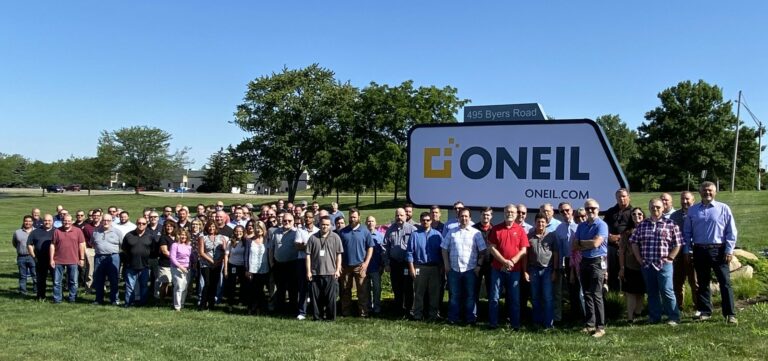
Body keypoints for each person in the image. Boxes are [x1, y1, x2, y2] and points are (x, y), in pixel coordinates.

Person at [684, 181, 738, 324]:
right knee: (702, 283)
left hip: (719, 250)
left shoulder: (723, 208)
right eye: (704, 190)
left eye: (710, 190)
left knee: (725, 283)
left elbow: (731, 231)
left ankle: (730, 314)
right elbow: (687, 232)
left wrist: (729, 249)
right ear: (700, 192)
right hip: (699, 249)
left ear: (715, 192)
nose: (707, 193)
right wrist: (687, 250)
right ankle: (705, 311)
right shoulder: (693, 210)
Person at [630, 198, 682, 325]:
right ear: (649, 208)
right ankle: (654, 317)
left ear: (663, 208)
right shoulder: (643, 224)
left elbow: (678, 243)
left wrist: (670, 258)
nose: (655, 209)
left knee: (666, 290)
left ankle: (674, 316)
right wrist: (639, 258)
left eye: (658, 207)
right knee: (652, 292)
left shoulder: (671, 224)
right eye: (653, 207)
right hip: (647, 264)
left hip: (664, 264)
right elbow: (634, 242)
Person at [442, 208, 487, 325]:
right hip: (454, 270)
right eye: (462, 216)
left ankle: (470, 319)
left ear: (470, 218)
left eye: (466, 216)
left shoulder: (475, 233)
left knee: (470, 296)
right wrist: (446, 264)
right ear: (458, 218)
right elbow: (444, 249)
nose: (464, 218)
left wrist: (478, 266)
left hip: (470, 270)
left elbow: (483, 251)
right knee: (454, 295)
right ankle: (453, 318)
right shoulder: (452, 232)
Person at [487, 204, 529, 330]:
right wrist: (504, 261)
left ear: (516, 214)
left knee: (514, 299)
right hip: (497, 269)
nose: (509, 214)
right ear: (504, 213)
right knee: (494, 297)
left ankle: (515, 324)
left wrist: (512, 261)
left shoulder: (520, 230)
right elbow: (492, 248)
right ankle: (493, 323)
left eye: (512, 212)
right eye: (507, 212)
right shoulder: (497, 229)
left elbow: (523, 250)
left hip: (515, 270)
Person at [572, 199, 609, 338]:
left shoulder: (602, 225)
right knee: (587, 294)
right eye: (588, 209)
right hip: (584, 261)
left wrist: (584, 243)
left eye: (593, 208)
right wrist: (587, 243)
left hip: (597, 262)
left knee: (596, 294)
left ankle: (600, 327)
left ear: (598, 209)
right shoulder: (581, 226)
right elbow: (575, 245)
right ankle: (590, 324)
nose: (590, 211)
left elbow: (596, 243)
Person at [306, 215, 344, 321]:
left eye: (327, 225)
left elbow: (339, 254)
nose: (325, 227)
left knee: (331, 298)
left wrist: (337, 269)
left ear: (331, 225)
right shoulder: (313, 238)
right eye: (323, 224)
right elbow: (308, 255)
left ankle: (330, 317)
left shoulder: (335, 237)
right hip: (315, 272)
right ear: (319, 224)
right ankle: (317, 317)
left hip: (331, 272)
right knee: (316, 298)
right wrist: (308, 271)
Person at [407, 212, 444, 321]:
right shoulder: (415, 235)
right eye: (423, 220)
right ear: (420, 221)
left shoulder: (437, 235)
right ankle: (417, 315)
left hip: (434, 268)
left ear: (431, 221)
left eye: (428, 220)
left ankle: (433, 315)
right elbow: (409, 253)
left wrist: (442, 267)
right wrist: (411, 268)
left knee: (434, 293)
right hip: (420, 267)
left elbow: (442, 252)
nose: (425, 222)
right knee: (419, 293)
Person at [338, 208, 374, 317]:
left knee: (362, 291)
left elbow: (370, 247)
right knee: (345, 291)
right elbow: (338, 250)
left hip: (360, 266)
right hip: (346, 266)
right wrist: (339, 265)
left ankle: (363, 312)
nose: (352, 219)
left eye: (354, 217)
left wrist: (366, 263)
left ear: (359, 217)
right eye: (350, 216)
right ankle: (346, 312)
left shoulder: (364, 231)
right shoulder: (343, 232)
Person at [526, 213, 558, 329]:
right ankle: (537, 322)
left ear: (546, 223)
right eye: (538, 222)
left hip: (547, 270)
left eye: (543, 222)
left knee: (547, 297)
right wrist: (525, 271)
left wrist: (555, 270)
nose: (540, 224)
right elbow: (525, 255)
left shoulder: (551, 236)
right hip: (533, 269)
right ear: (535, 223)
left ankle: (548, 324)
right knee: (535, 297)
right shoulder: (529, 236)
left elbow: (555, 254)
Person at [383, 208, 416, 317]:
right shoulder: (390, 230)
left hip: (407, 264)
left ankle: (409, 310)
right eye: (397, 215)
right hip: (394, 264)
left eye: (401, 215)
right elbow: (385, 247)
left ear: (406, 216)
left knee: (408, 288)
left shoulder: (412, 230)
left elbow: (416, 247)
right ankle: (398, 310)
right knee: (396, 287)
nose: (399, 217)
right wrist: (387, 263)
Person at [670, 191, 699, 314]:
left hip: (694, 252)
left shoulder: (698, 213)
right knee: (678, 282)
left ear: (693, 199)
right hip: (678, 252)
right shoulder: (674, 216)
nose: (684, 201)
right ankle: (679, 307)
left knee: (695, 282)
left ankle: (698, 307)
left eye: (687, 199)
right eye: (682, 199)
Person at [50, 214, 86, 303]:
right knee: (57, 282)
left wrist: (82, 258)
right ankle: (57, 299)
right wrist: (51, 259)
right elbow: (52, 245)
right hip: (58, 260)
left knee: (73, 281)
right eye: (65, 220)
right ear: (62, 221)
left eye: (69, 221)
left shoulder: (78, 231)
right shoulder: (57, 231)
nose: (67, 222)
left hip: (73, 259)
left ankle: (72, 298)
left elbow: (81, 244)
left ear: (72, 221)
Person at [618, 207, 646, 322]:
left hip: (645, 265)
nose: (637, 216)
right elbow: (621, 252)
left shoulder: (648, 229)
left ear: (643, 216)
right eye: (634, 214)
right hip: (630, 266)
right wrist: (622, 268)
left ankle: (638, 313)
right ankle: (630, 317)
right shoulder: (626, 233)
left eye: (639, 214)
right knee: (631, 293)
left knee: (641, 292)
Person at [603, 188, 633, 292]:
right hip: (611, 246)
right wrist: (609, 235)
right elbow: (604, 226)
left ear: (629, 197)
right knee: (612, 272)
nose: (622, 198)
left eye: (624, 196)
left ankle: (625, 296)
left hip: (627, 247)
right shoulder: (611, 211)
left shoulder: (633, 212)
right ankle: (613, 296)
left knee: (625, 272)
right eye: (619, 197)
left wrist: (620, 237)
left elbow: (635, 228)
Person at [554, 202, 579, 323]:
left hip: (581, 261)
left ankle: (586, 317)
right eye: (562, 211)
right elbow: (559, 250)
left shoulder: (580, 225)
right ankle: (575, 316)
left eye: (567, 210)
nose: (565, 213)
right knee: (572, 290)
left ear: (572, 210)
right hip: (569, 262)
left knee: (584, 290)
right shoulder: (559, 228)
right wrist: (559, 266)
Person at [271, 213, 300, 314]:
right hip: (278, 264)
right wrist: (271, 262)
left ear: (293, 221)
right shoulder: (276, 232)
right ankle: (280, 309)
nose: (286, 222)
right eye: (285, 221)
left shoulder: (297, 232)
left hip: (292, 264)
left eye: (289, 221)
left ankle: (293, 310)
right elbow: (271, 248)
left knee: (293, 289)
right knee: (280, 288)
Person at [91, 214, 123, 305]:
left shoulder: (117, 232)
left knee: (114, 279)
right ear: (101, 221)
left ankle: (114, 299)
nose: (106, 222)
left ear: (111, 221)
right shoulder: (96, 231)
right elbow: (92, 243)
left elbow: (122, 245)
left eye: (108, 220)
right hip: (99, 257)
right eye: (104, 220)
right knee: (99, 279)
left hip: (113, 257)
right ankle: (98, 299)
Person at [122, 217, 152, 307]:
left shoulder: (150, 236)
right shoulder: (129, 235)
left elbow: (153, 249)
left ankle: (143, 303)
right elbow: (124, 249)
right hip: (131, 265)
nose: (141, 225)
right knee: (130, 286)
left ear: (146, 225)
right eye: (139, 223)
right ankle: (128, 303)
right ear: (136, 223)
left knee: (144, 286)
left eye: (143, 223)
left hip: (145, 266)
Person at [245, 220, 272, 315]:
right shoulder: (249, 241)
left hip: (264, 269)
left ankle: (261, 308)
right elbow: (246, 256)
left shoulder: (267, 240)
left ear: (263, 229)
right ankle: (251, 308)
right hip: (252, 269)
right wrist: (247, 269)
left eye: (260, 228)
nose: (258, 229)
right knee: (252, 290)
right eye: (256, 228)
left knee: (261, 290)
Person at [198, 221, 227, 310]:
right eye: (210, 227)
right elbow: (201, 252)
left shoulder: (221, 238)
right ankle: (203, 304)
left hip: (218, 264)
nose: (211, 228)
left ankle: (211, 304)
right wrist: (211, 261)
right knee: (207, 283)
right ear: (207, 228)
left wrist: (218, 261)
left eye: (213, 226)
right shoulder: (203, 238)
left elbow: (225, 251)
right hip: (206, 264)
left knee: (214, 284)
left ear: (216, 228)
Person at [27, 214, 55, 300]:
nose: (47, 222)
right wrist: (34, 256)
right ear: (43, 221)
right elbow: (29, 244)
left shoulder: (57, 231)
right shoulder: (35, 232)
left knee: (56, 279)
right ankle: (41, 296)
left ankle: (57, 297)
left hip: (54, 260)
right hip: (40, 260)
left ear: (52, 221)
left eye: (49, 220)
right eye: (45, 220)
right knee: (41, 279)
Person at [223, 225, 248, 311]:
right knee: (232, 285)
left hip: (243, 266)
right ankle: (230, 303)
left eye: (240, 231)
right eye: (236, 231)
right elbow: (226, 255)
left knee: (244, 284)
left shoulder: (246, 242)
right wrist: (225, 269)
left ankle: (242, 301)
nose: (238, 233)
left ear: (243, 232)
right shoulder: (230, 242)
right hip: (232, 265)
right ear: (234, 232)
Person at [472, 207, 494, 305]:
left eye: (488, 215)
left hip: (491, 264)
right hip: (476, 264)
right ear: (480, 215)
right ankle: (474, 314)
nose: (486, 216)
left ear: (491, 216)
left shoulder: (495, 229)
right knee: (474, 289)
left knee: (491, 290)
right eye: (484, 214)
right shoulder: (473, 229)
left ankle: (489, 315)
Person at [170, 229, 194, 310]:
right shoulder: (174, 245)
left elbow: (191, 258)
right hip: (177, 268)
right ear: (178, 236)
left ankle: (182, 304)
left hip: (187, 269)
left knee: (185, 288)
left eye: (184, 235)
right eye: (181, 235)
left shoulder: (189, 247)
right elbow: (172, 258)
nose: (183, 236)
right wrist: (181, 267)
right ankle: (177, 306)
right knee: (179, 287)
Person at [365, 215, 384, 315]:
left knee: (377, 288)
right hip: (365, 267)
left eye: (372, 221)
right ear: (365, 223)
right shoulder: (363, 235)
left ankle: (377, 307)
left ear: (376, 223)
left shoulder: (380, 236)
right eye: (368, 221)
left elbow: (383, 252)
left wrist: (382, 265)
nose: (370, 223)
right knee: (366, 289)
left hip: (376, 267)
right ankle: (368, 307)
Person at [13, 215, 37, 295]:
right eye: (26, 221)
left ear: (32, 222)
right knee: (22, 275)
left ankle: (36, 290)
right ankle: (23, 291)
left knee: (35, 274)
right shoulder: (17, 232)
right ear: (23, 222)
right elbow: (15, 243)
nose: (28, 223)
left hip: (33, 257)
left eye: (30, 221)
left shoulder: (37, 231)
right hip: (21, 257)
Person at [156, 220, 178, 301]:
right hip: (165, 264)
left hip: (175, 264)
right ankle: (162, 300)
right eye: (167, 226)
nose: (169, 227)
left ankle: (173, 299)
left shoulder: (177, 237)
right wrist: (175, 259)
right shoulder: (163, 237)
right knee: (165, 282)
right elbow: (165, 251)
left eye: (171, 226)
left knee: (174, 283)